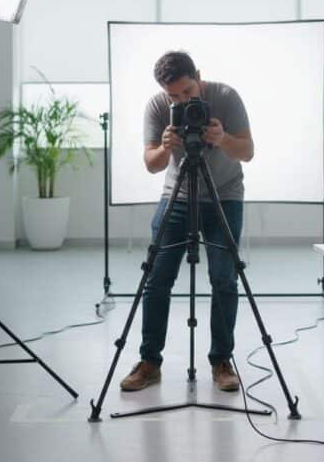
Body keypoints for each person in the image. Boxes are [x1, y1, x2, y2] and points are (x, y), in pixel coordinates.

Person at [119, 51, 255, 393]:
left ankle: (221, 361)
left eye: (187, 92)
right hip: (177, 194)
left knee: (224, 277)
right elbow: (151, 163)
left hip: (223, 193)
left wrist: (222, 138)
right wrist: (165, 148)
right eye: (174, 96)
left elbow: (248, 152)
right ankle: (150, 361)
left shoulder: (226, 97)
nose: (181, 101)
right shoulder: (157, 106)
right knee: (157, 276)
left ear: (199, 76)